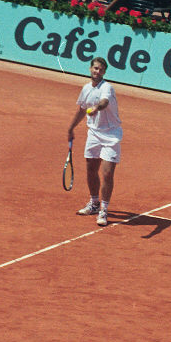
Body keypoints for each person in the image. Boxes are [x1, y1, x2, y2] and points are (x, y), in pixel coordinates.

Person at [68, 57, 122, 227]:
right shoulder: (85, 88)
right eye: (95, 68)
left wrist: (96, 109)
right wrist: (71, 129)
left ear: (104, 72)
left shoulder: (107, 88)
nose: (97, 71)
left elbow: (104, 102)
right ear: (90, 69)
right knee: (91, 170)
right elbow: (81, 110)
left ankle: (104, 210)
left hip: (111, 135)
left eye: (100, 69)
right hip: (93, 134)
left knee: (107, 173)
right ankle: (94, 203)